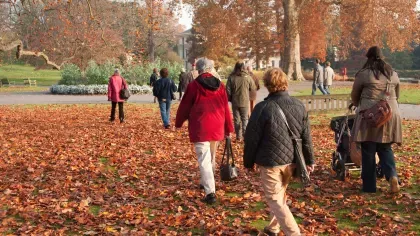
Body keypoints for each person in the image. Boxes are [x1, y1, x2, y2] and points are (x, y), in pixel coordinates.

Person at [243, 68, 315, 236]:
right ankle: (273, 228)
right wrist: (310, 160)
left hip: (271, 162)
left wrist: (248, 162)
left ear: (268, 85)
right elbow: (306, 136)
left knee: (276, 200)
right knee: (280, 196)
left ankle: (294, 233)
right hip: (292, 159)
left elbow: (251, 139)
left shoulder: (262, 108)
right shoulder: (298, 105)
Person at [175, 57, 234, 204]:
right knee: (211, 157)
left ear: (199, 70)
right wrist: (229, 128)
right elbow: (225, 108)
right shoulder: (220, 86)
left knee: (204, 159)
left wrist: (179, 122)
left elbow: (185, 106)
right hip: (218, 125)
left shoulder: (193, 86)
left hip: (201, 126)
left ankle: (210, 192)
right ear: (211, 69)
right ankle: (206, 181)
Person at [351, 46, 402, 193]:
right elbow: (396, 95)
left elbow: (355, 96)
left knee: (368, 150)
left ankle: (369, 187)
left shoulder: (364, 74)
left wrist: (357, 105)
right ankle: (392, 176)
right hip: (390, 114)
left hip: (370, 116)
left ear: (369, 57)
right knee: (385, 148)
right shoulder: (393, 73)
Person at [226, 61, 256, 141]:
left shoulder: (231, 77)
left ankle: (238, 137)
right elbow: (253, 88)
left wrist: (230, 98)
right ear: (243, 67)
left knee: (236, 120)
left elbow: (228, 90)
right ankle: (245, 136)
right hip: (245, 101)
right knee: (245, 119)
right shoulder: (248, 77)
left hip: (235, 101)